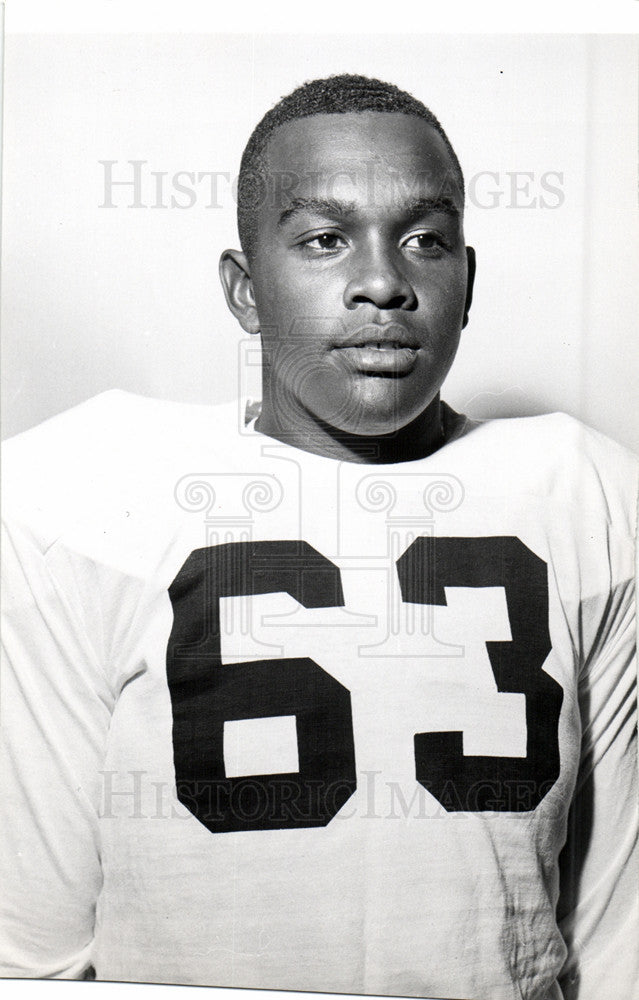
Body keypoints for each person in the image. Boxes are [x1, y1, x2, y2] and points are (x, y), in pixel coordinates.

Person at [1, 74, 637, 1000]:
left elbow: (619, 924)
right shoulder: (86, 496)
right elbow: (28, 950)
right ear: (244, 288)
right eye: (324, 240)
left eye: (424, 239)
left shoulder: (587, 491)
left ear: (467, 281)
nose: (382, 282)